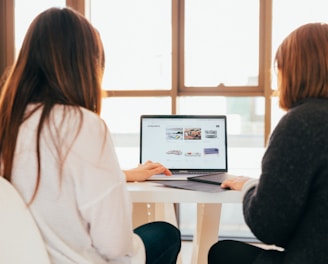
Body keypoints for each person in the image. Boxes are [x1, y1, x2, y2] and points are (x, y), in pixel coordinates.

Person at [0, 7, 180, 264]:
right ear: (85, 66)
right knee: (165, 234)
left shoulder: (7, 121)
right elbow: (114, 245)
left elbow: (48, 183)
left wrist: (123, 175)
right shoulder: (83, 126)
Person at [208, 22, 328, 264]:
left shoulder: (301, 124)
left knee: (222, 253)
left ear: (293, 71)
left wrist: (249, 186)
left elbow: (268, 227)